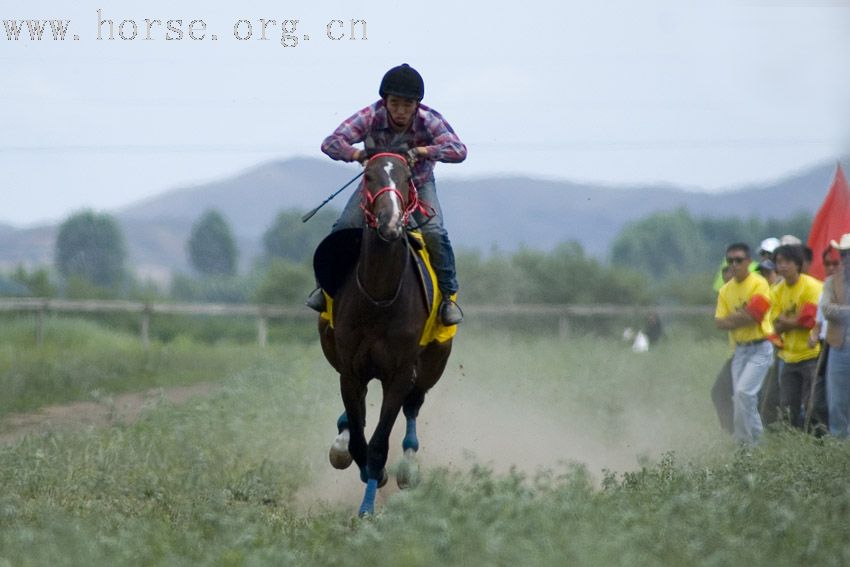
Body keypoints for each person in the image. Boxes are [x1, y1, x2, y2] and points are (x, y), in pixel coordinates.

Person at [311, 63, 468, 325]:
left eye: (407, 105)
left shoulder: (430, 120)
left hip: (417, 184)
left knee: (435, 233)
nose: (400, 111)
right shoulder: (370, 115)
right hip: (377, 186)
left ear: (417, 104)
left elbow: (459, 150)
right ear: (385, 101)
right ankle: (324, 292)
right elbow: (331, 142)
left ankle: (448, 299)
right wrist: (358, 155)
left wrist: (422, 152)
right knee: (343, 226)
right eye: (395, 103)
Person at [715, 243, 773, 444]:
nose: (734, 264)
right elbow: (719, 322)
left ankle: (751, 443)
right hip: (740, 350)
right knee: (743, 400)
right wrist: (744, 314)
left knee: (743, 393)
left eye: (739, 260)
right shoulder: (725, 291)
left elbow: (757, 315)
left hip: (760, 347)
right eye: (730, 260)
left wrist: (735, 318)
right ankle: (749, 444)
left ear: (748, 261)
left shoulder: (759, 284)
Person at [770, 244, 825, 432]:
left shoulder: (812, 286)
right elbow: (774, 325)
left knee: (813, 405)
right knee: (787, 408)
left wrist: (786, 321)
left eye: (787, 262)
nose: (782, 266)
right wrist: (794, 320)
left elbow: (809, 321)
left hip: (810, 355)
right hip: (787, 357)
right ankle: (791, 443)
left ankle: (816, 443)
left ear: (798, 264)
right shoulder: (776, 291)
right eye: (779, 262)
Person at [822, 233, 850, 437]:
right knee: (837, 402)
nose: (846, 258)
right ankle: (838, 444)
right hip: (839, 347)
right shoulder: (831, 282)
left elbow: (833, 310)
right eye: (844, 254)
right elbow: (826, 309)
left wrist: (841, 310)